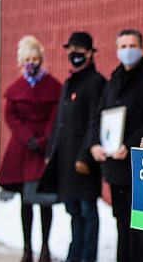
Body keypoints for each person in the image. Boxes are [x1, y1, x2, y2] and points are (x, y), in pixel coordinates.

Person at [90, 29, 143, 262]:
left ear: (141, 48)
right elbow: (99, 117)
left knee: (142, 230)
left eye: (131, 45)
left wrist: (130, 143)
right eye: (122, 46)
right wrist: (95, 143)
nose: (127, 51)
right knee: (122, 226)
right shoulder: (113, 80)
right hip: (116, 169)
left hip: (140, 168)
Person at [0, 36, 61, 262]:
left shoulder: (52, 86)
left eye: (35, 58)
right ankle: (27, 248)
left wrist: (43, 140)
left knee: (44, 199)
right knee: (26, 201)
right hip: (23, 149)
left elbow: (55, 116)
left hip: (43, 149)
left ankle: (45, 248)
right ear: (20, 61)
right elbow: (10, 116)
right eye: (27, 59)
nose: (31, 63)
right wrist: (28, 138)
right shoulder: (16, 88)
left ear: (41, 59)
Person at [44, 32, 106, 262]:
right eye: (71, 49)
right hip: (65, 160)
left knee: (87, 211)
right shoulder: (69, 81)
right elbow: (59, 122)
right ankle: (75, 254)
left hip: (84, 162)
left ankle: (87, 257)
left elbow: (95, 122)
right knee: (73, 211)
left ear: (90, 53)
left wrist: (84, 156)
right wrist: (51, 152)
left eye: (80, 50)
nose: (74, 54)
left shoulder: (97, 82)